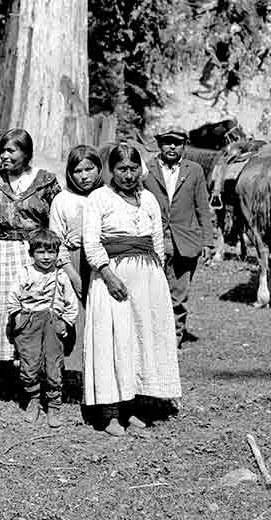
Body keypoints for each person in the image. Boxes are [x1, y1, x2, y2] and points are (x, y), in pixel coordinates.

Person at [82, 143, 182, 436]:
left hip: (148, 279)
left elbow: (157, 241)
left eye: (133, 168)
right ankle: (111, 414)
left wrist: (157, 278)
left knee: (141, 339)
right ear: (111, 171)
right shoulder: (99, 198)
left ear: (141, 168)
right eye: (122, 169)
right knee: (114, 339)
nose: (128, 175)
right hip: (112, 278)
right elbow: (91, 241)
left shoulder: (149, 199)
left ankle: (135, 408)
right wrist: (108, 276)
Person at [0, 128, 61, 365]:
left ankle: (35, 364)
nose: (5, 156)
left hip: (36, 252)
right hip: (4, 252)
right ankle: (6, 363)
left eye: (12, 150)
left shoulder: (45, 180)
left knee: (36, 303)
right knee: (7, 305)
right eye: (2, 151)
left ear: (26, 153)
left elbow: (57, 218)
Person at [142, 127, 214, 346]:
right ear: (159, 144)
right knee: (151, 292)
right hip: (153, 239)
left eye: (177, 143)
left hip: (185, 240)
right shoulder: (147, 168)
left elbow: (202, 206)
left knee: (179, 294)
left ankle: (174, 339)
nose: (172, 147)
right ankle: (151, 339)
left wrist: (208, 242)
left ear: (184, 146)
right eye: (167, 142)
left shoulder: (195, 170)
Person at [5, 228, 79, 427]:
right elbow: (13, 298)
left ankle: (54, 404)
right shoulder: (25, 273)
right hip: (30, 324)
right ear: (32, 253)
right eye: (41, 252)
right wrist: (19, 317)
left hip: (52, 322)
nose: (46, 257)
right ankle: (34, 400)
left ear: (57, 254)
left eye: (51, 252)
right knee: (29, 364)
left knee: (53, 364)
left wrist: (64, 322)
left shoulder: (61, 276)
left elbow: (72, 304)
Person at [49, 145, 103, 373]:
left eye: (89, 169)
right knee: (76, 318)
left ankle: (101, 372)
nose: (84, 176)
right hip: (72, 262)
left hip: (102, 261)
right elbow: (55, 240)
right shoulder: (63, 200)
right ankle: (74, 374)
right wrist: (72, 275)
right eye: (78, 171)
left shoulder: (106, 196)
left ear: (99, 169)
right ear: (70, 173)